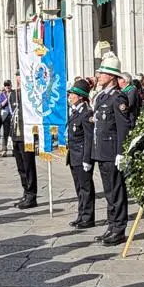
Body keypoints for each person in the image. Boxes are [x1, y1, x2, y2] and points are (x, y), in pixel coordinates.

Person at [93, 54, 132, 244]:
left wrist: (122, 152)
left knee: (116, 191)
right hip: (102, 151)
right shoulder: (102, 96)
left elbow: (123, 126)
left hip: (112, 152)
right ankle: (111, 225)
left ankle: (119, 228)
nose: (98, 75)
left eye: (102, 73)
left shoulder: (118, 97)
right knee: (109, 192)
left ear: (111, 76)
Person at [64, 77, 95, 229]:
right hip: (74, 156)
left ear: (80, 96)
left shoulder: (86, 113)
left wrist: (87, 159)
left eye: (72, 94)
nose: (69, 97)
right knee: (79, 188)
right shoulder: (75, 112)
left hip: (82, 156)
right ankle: (81, 215)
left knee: (86, 188)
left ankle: (88, 217)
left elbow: (89, 138)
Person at [10, 86, 39, 209]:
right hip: (15, 135)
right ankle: (26, 192)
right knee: (21, 167)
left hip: (26, 136)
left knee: (29, 167)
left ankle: (32, 195)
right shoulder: (12, 94)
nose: (18, 79)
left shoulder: (30, 93)